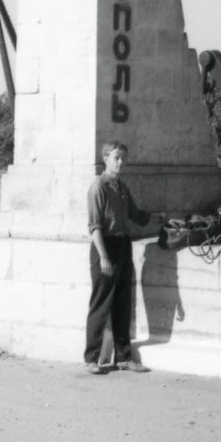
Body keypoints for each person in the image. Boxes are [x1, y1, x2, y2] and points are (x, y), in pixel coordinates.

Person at [84, 141, 156, 375]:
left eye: (123, 157)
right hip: (105, 246)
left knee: (123, 303)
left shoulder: (122, 188)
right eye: (116, 157)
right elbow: (94, 227)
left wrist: (160, 219)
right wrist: (104, 257)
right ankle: (92, 358)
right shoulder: (99, 187)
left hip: (124, 244)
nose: (121, 162)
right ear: (105, 158)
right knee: (101, 303)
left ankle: (123, 358)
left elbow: (136, 215)